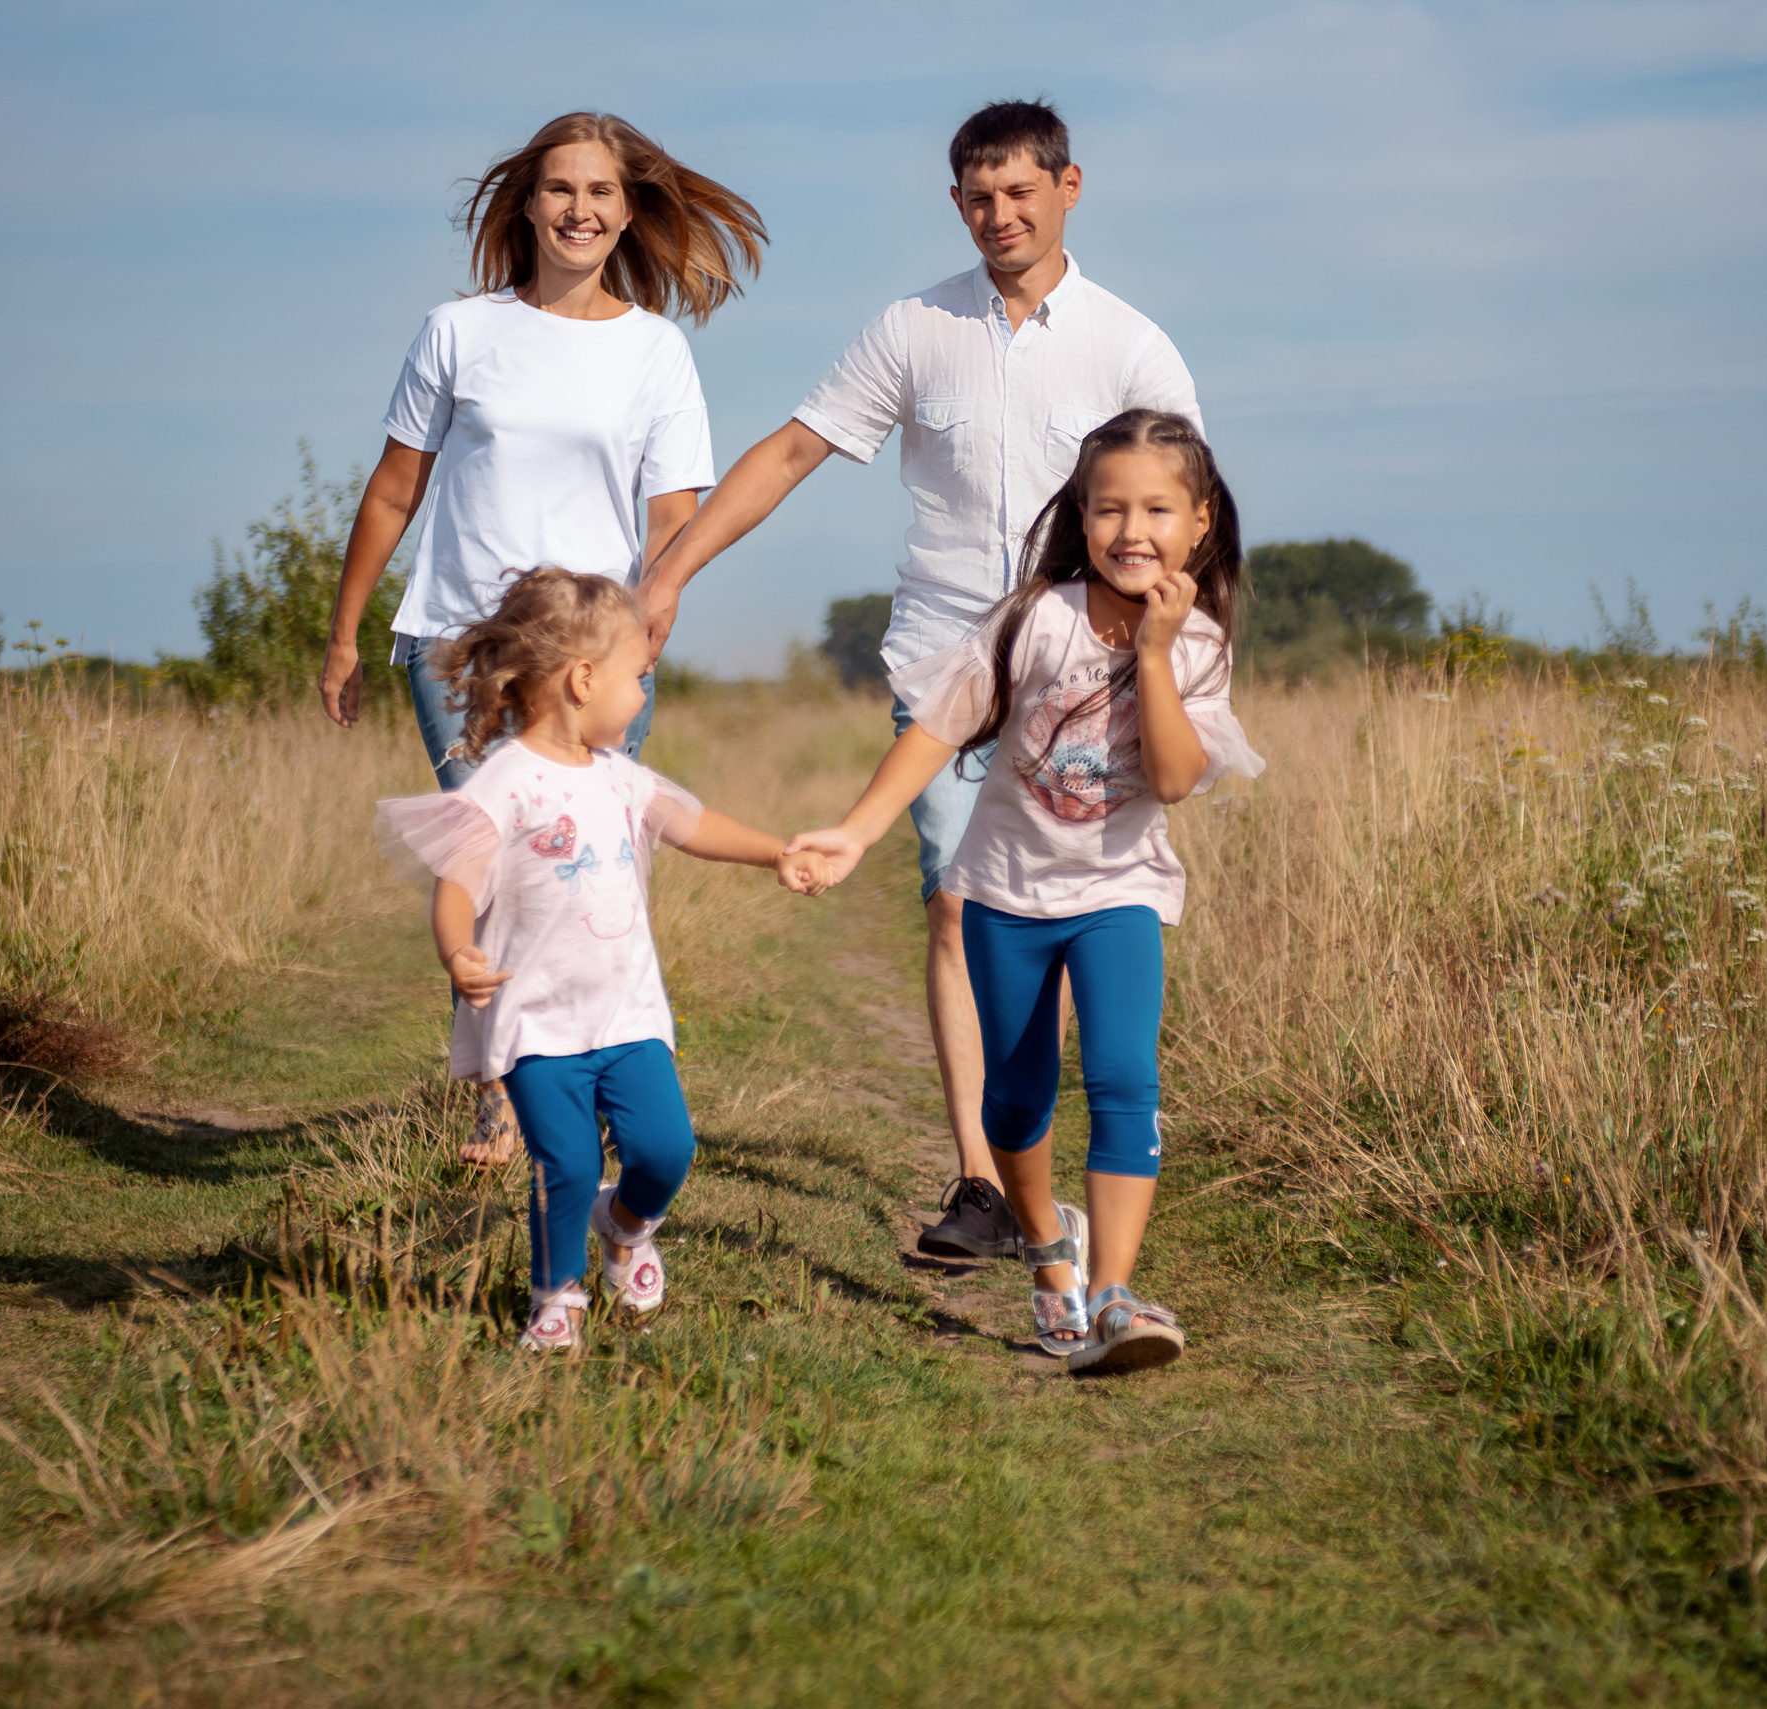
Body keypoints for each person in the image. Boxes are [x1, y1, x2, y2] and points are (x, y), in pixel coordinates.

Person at [639, 99, 1200, 1263]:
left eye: (1021, 193)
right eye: (979, 198)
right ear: (957, 204)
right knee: (955, 901)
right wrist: (668, 572)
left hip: (1083, 683)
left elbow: (1181, 507)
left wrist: (1173, 656)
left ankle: (1039, 1162)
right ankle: (983, 1183)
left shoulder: (1131, 345)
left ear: (1068, 187)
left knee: (1044, 927)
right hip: (944, 667)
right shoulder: (913, 326)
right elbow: (794, 448)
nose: (1001, 215)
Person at [320, 110, 765, 1166]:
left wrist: (646, 633)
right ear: (526, 203)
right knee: (490, 859)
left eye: (601, 193)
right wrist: (345, 635)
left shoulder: (656, 351)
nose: (580, 209)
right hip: (458, 644)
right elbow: (394, 490)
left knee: (572, 864)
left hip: (594, 657)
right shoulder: (457, 332)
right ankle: (503, 1090)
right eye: (561, 189)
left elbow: (673, 524)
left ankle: (570, 1064)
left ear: (627, 211)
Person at [780, 411, 1261, 1373]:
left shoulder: (1198, 644)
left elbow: (1169, 777)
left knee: (1126, 1082)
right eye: (1108, 508)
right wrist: (856, 830)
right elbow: (932, 729)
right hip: (1004, 893)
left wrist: (1156, 655)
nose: (1133, 530)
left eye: (1159, 509)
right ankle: (1052, 1257)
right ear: (1080, 519)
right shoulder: (1033, 619)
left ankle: (1116, 1295)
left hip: (1119, 890)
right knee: (1016, 1101)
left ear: (1200, 524)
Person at [375, 570, 824, 1352]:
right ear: (584, 680)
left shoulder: (620, 776)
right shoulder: (505, 783)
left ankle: (623, 1226)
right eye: (637, 677)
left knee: (667, 1149)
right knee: (566, 1164)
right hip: (538, 1023)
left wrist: (775, 852)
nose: (643, 693)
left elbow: (693, 823)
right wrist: (458, 950)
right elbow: (456, 885)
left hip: (627, 1013)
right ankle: (556, 1294)